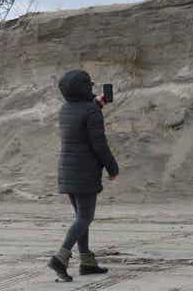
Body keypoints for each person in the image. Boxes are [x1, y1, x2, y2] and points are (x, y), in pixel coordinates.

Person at [48, 70, 119, 282]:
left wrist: (95, 104)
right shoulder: (91, 112)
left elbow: (81, 114)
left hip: (67, 171)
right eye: (89, 85)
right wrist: (112, 168)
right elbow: (99, 145)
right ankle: (60, 258)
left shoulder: (65, 109)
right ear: (83, 88)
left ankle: (87, 263)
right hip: (85, 171)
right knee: (85, 218)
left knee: (81, 218)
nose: (92, 87)